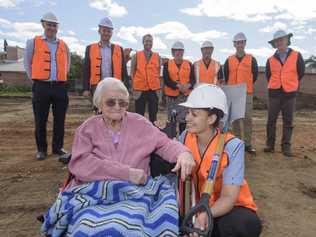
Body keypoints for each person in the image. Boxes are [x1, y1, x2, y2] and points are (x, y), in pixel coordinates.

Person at [180, 84, 262, 237]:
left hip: (228, 208)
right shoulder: (185, 136)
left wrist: (206, 213)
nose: (187, 118)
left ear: (211, 119)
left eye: (194, 114)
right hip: (197, 205)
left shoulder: (232, 146)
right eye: (188, 112)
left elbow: (229, 197)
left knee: (242, 225)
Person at [24, 12, 71, 160]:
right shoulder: (33, 42)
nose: (51, 27)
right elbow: (27, 63)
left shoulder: (64, 45)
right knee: (40, 119)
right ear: (43, 24)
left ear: (57, 27)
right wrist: (36, 80)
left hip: (59, 86)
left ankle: (57, 148)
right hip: (41, 86)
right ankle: (41, 150)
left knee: (60, 119)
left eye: (54, 25)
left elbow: (67, 64)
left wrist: (60, 78)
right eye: (49, 24)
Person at [264, 30, 305, 157]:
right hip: (274, 93)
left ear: (287, 40)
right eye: (277, 41)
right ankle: (270, 145)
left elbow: (301, 72)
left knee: (288, 121)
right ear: (274, 44)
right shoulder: (270, 60)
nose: (279, 42)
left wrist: (291, 83)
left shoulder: (297, 55)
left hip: (289, 93)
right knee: (271, 120)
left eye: (282, 40)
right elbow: (268, 75)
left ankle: (286, 147)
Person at [224, 32, 258, 155]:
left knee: (247, 119)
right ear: (234, 44)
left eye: (241, 42)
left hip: (246, 92)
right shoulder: (229, 60)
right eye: (237, 43)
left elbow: (254, 76)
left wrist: (245, 86)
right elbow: (226, 76)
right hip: (234, 93)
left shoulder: (251, 59)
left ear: (245, 43)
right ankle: (238, 143)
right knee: (236, 119)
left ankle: (248, 144)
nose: (239, 45)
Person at [82, 17, 129, 106]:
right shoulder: (90, 48)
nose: (106, 33)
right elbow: (86, 70)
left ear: (112, 33)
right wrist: (86, 88)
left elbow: (124, 70)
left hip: (115, 85)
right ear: (99, 31)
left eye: (109, 31)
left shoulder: (119, 49)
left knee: (114, 109)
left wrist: (126, 87)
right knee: (98, 110)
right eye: (104, 30)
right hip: (97, 86)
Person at [163, 41, 195, 134]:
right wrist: (177, 86)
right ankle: (172, 140)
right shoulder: (167, 64)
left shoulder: (189, 63)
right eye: (176, 51)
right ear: (173, 52)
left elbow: (193, 79)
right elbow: (166, 79)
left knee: (184, 120)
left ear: (183, 52)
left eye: (180, 51)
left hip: (184, 98)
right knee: (172, 120)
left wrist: (188, 86)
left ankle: (182, 139)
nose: (178, 52)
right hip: (172, 98)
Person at [130, 34, 161, 123]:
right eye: (146, 41)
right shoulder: (136, 56)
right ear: (143, 42)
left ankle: (153, 133)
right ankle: (139, 134)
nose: (148, 43)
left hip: (153, 90)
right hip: (140, 90)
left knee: (153, 115)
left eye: (150, 41)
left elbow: (158, 72)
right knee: (139, 115)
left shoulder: (157, 56)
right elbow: (132, 73)